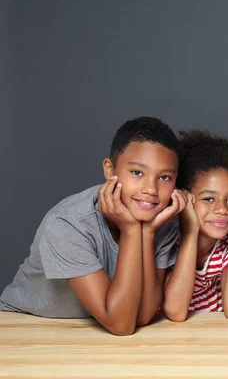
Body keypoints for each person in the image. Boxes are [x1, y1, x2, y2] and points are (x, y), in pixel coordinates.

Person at [0, 116, 186, 335]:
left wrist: (146, 233)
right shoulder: (67, 224)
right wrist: (131, 229)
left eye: (164, 177)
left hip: (90, 331)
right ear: (109, 170)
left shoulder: (162, 219)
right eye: (137, 172)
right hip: (24, 325)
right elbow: (121, 325)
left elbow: (143, 316)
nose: (151, 189)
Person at [162, 130, 228, 320]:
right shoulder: (168, 239)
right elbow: (176, 312)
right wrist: (190, 231)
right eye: (208, 198)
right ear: (185, 198)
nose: (221, 209)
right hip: (169, 338)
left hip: (215, 336)